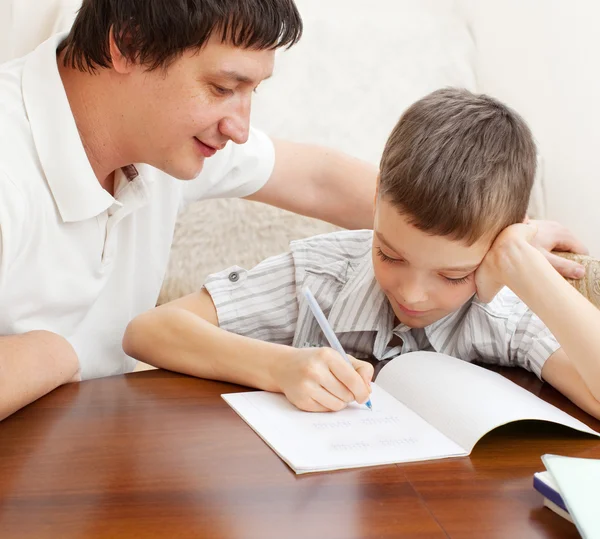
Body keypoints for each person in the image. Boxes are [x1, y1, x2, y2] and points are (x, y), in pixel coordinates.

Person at [0, 0, 584, 422]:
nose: (240, 126)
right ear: (125, 42)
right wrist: (58, 353)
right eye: (223, 87)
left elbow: (324, 180)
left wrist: (489, 236)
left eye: (253, 91)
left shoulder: (166, 140)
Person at [123, 88, 600, 420]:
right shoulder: (321, 273)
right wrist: (279, 367)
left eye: (453, 276)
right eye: (389, 254)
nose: (413, 293)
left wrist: (526, 268)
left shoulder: (503, 308)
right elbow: (148, 332)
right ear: (375, 209)